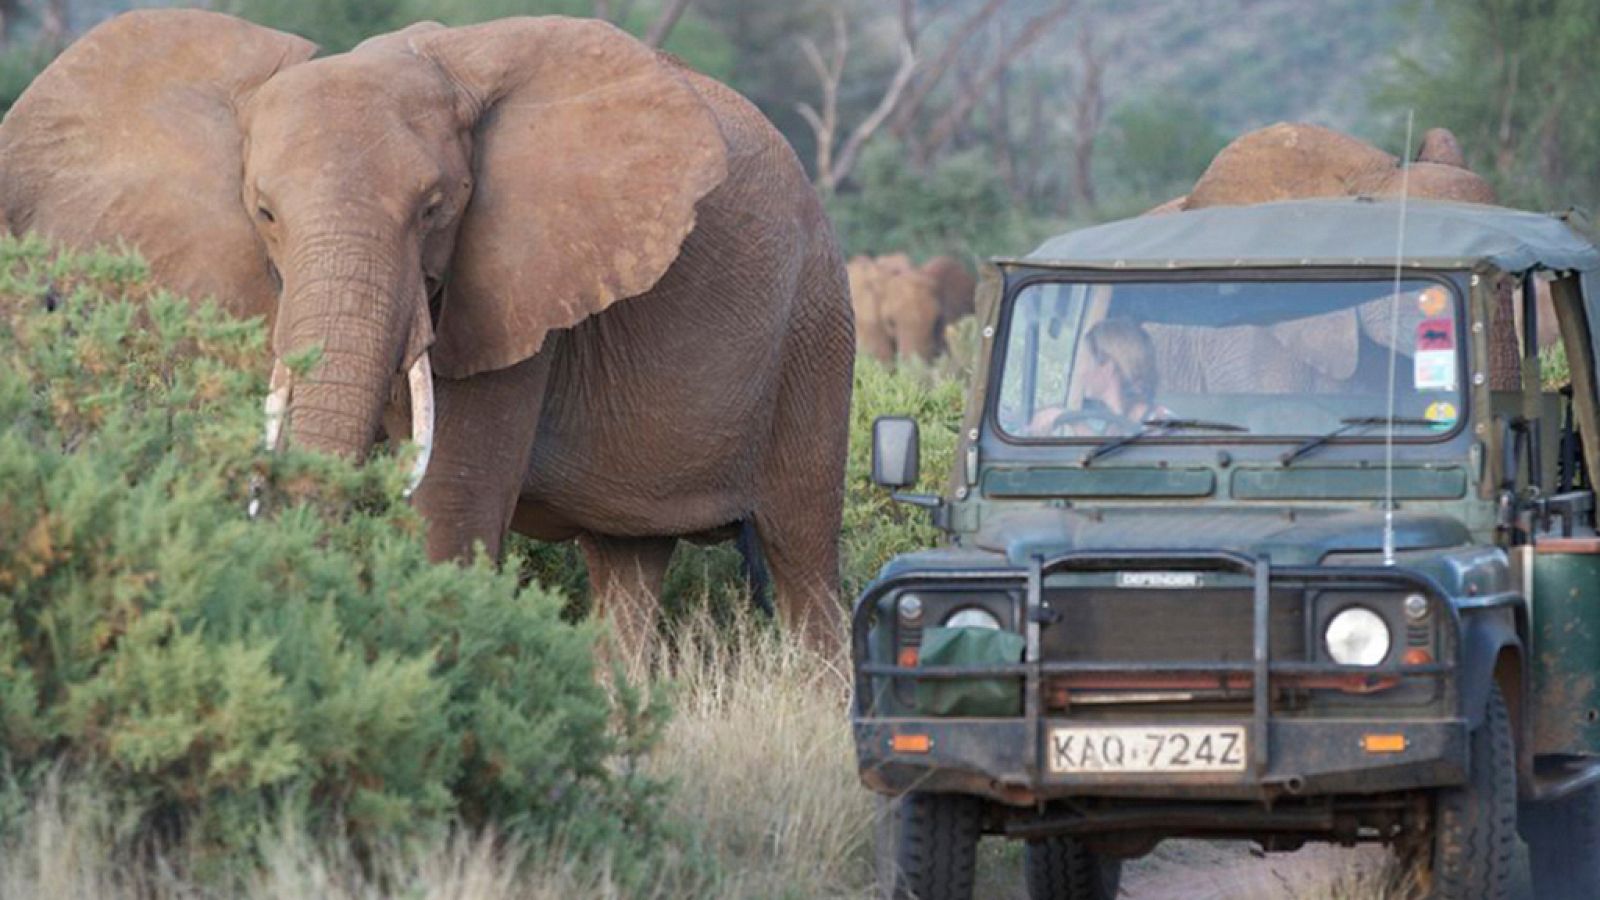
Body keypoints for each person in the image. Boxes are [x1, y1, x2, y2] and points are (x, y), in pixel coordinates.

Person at [1029, 318, 1171, 436]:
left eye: (1086, 361)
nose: (1081, 372)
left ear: (1108, 367)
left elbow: (1127, 466)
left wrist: (1073, 421)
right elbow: (1103, 459)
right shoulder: (1114, 425)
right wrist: (1074, 422)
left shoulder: (1160, 426)